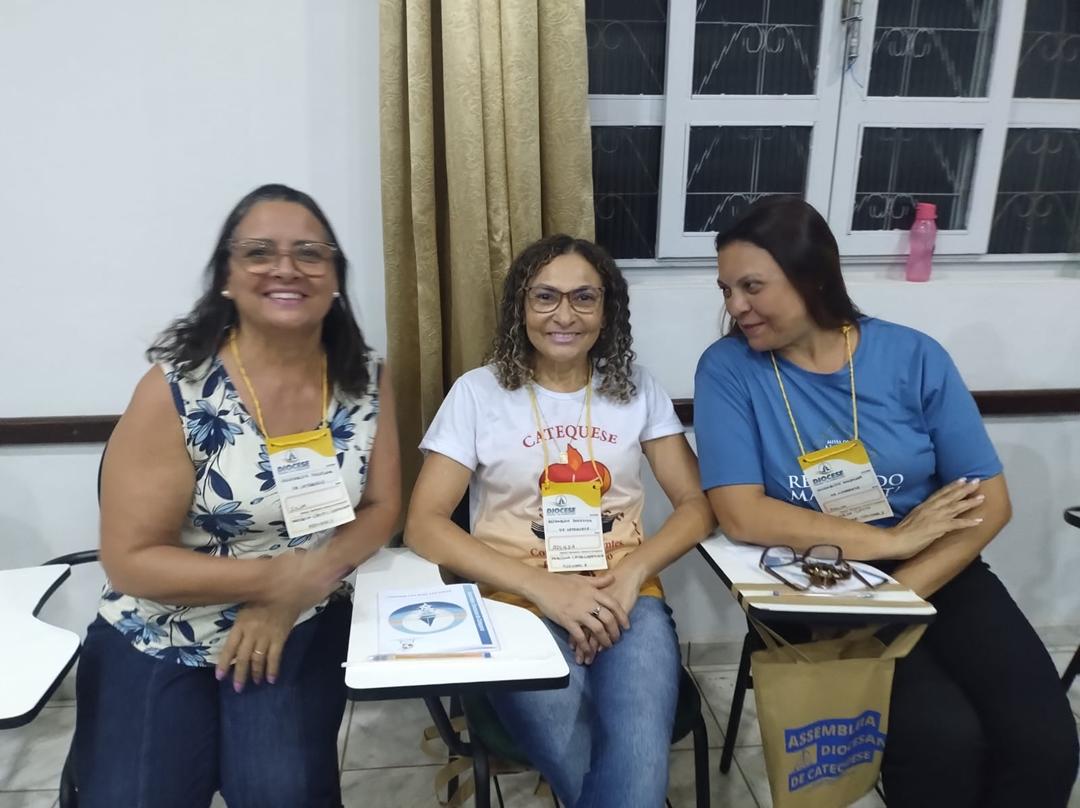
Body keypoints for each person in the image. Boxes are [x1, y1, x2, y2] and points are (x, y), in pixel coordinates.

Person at [693, 196, 1078, 808]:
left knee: (1045, 741)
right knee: (942, 742)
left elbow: (991, 502)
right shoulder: (728, 369)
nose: (735, 306)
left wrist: (898, 590)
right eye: (726, 289)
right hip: (816, 582)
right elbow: (741, 513)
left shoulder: (912, 356)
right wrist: (889, 542)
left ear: (813, 277)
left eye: (752, 286)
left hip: (938, 570)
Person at [75, 184, 401, 808]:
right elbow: (130, 561)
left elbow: (382, 508)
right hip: (162, 626)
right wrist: (275, 581)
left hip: (303, 612)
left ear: (335, 278)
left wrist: (295, 593)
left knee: (280, 790)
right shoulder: (177, 389)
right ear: (226, 277)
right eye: (259, 252)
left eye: (310, 253)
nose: (286, 268)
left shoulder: (364, 379)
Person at [405, 234, 715, 807]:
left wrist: (633, 573)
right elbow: (424, 525)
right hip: (514, 602)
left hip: (625, 597)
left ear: (607, 309)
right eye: (545, 297)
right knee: (604, 765)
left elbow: (697, 506)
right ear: (520, 307)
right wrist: (544, 588)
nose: (564, 315)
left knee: (636, 748)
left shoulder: (636, 389)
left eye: (584, 297)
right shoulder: (478, 393)